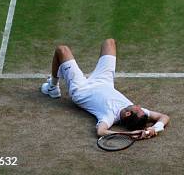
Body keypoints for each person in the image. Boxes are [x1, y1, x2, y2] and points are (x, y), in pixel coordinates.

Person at [40, 38, 170, 138]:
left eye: (137, 108)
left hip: (81, 89)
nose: (139, 106)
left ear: (128, 113)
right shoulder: (138, 113)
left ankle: (52, 87)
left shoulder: (109, 116)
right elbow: (164, 116)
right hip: (104, 81)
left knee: (62, 50)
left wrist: (129, 135)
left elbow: (101, 131)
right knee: (110, 42)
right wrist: (156, 128)